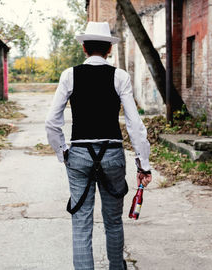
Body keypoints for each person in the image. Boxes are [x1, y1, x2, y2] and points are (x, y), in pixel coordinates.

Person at [45, 21, 152, 270]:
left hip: (79, 154)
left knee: (81, 222)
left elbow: (52, 121)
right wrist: (142, 164)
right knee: (113, 221)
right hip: (112, 153)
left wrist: (63, 153)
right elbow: (135, 124)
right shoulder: (120, 76)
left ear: (84, 48)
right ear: (109, 50)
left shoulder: (69, 75)